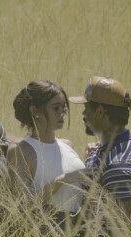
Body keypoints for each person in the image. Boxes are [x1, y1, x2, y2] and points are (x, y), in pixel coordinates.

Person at [7, 80, 91, 224]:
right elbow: (23, 205)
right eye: (55, 108)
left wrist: (91, 158)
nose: (62, 113)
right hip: (44, 234)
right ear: (35, 111)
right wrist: (61, 180)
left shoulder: (67, 145)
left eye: (63, 107)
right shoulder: (20, 151)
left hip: (79, 231)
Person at [69, 76, 131, 228]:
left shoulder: (118, 167)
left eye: (86, 107)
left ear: (100, 112)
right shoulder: (103, 150)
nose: (83, 113)